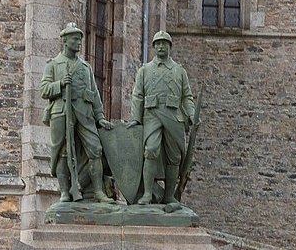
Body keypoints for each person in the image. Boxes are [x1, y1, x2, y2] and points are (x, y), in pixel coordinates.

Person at [40, 23, 114, 203]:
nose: (79, 42)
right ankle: (65, 191)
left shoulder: (85, 67)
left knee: (95, 149)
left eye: (80, 39)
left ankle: (98, 192)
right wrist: (60, 85)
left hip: (85, 114)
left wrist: (101, 117)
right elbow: (44, 89)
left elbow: (94, 95)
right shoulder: (54, 65)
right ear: (65, 41)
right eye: (74, 39)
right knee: (62, 153)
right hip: (62, 112)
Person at [127, 31, 196, 205]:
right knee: (150, 150)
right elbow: (137, 95)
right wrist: (136, 118)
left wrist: (191, 114)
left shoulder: (179, 71)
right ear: (153, 47)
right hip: (152, 115)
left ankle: (169, 196)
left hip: (173, 116)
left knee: (174, 157)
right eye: (157, 44)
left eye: (164, 43)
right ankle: (147, 194)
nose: (160, 47)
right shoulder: (145, 70)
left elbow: (187, 96)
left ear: (170, 47)